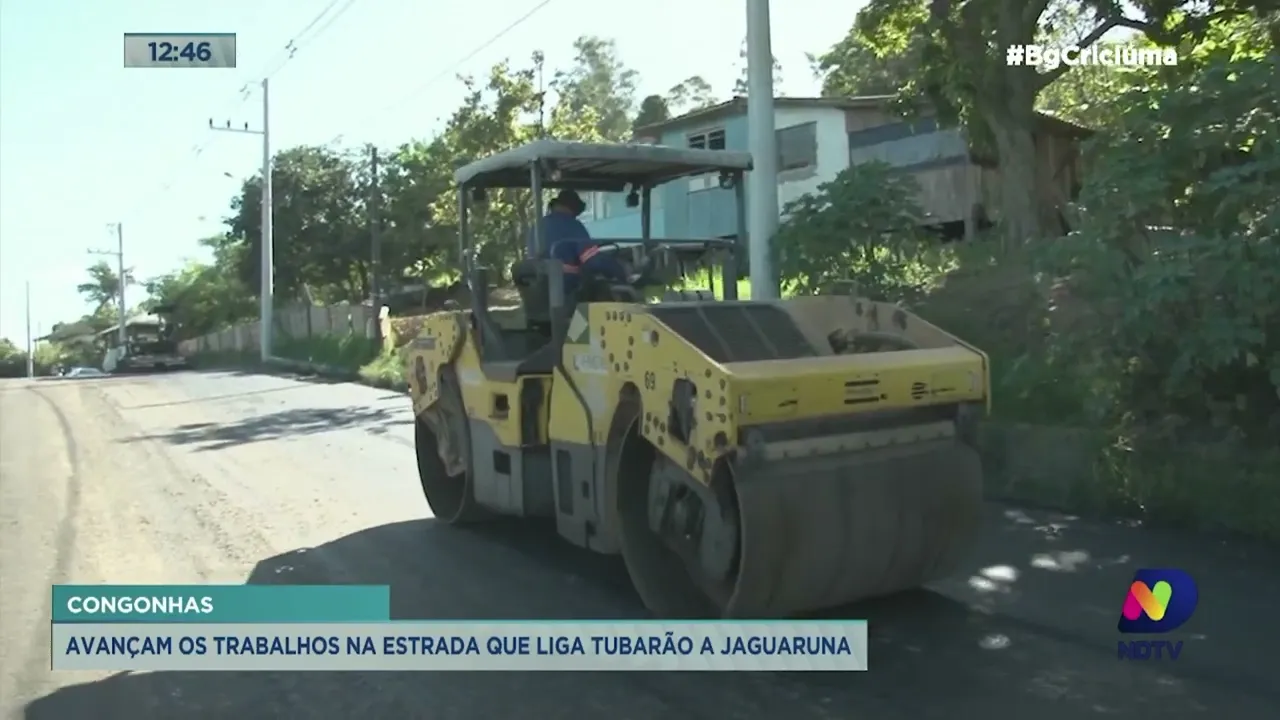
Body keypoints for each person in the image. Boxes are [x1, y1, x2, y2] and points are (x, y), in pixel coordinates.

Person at [533, 189, 628, 297]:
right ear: (572, 208)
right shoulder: (572, 225)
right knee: (604, 287)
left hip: (539, 286)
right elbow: (592, 260)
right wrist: (617, 269)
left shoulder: (536, 227)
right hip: (568, 285)